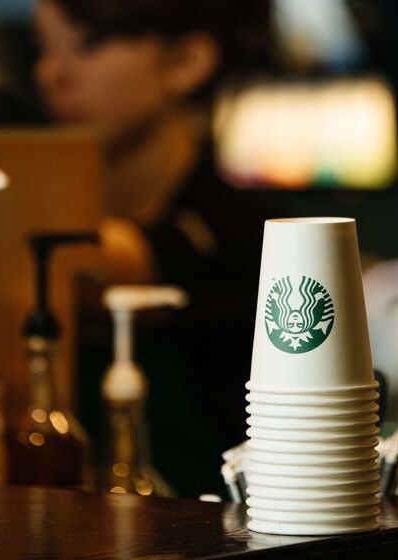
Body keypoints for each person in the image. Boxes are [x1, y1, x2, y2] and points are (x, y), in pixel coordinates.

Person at [33, 0, 277, 496]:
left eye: (87, 45)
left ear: (187, 61)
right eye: (43, 48)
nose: (50, 73)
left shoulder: (240, 228)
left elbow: (87, 260)